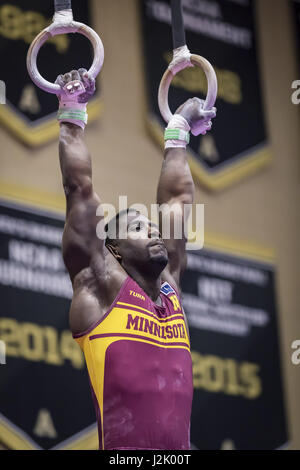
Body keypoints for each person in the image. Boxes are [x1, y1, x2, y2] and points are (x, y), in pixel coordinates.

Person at [55, 68, 216, 450]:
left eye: (151, 226)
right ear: (113, 250)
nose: (154, 231)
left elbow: (177, 202)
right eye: (140, 228)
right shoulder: (99, 285)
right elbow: (79, 190)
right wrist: (71, 111)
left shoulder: (170, 284)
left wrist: (178, 131)